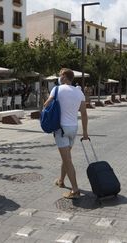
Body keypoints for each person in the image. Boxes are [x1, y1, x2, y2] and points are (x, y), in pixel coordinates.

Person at [44, 68, 89, 199]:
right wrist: (85, 132)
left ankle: (75, 190)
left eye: (60, 75)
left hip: (61, 129)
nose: (59, 77)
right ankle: (61, 180)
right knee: (66, 157)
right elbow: (84, 113)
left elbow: (47, 105)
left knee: (67, 160)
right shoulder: (79, 92)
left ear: (64, 76)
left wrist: (45, 103)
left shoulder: (57, 89)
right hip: (73, 129)